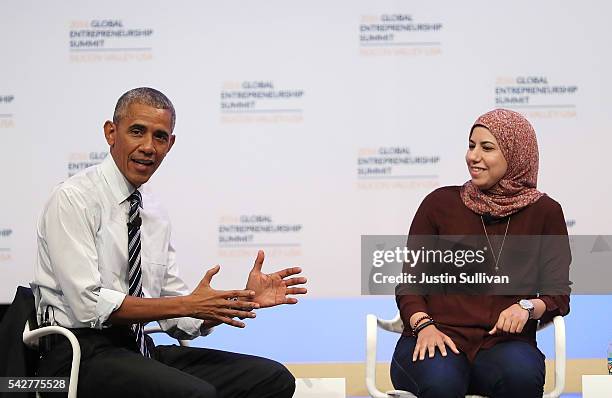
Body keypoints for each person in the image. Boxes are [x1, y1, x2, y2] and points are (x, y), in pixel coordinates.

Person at [31, 87, 307, 398]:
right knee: (194, 393)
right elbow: (88, 306)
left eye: (160, 137)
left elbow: (176, 313)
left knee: (272, 378)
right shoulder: (73, 199)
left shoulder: (154, 212)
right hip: (77, 355)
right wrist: (186, 304)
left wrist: (238, 302)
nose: (148, 146)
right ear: (111, 132)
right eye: (137, 131)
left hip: (138, 349)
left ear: (170, 144)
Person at [390, 109, 571, 398]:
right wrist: (423, 325)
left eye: (487, 148)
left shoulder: (546, 212)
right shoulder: (439, 204)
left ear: (517, 155)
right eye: (471, 145)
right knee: (442, 382)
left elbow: (557, 295)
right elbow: (410, 284)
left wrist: (526, 307)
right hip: (436, 334)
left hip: (505, 344)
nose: (473, 156)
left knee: (520, 377)